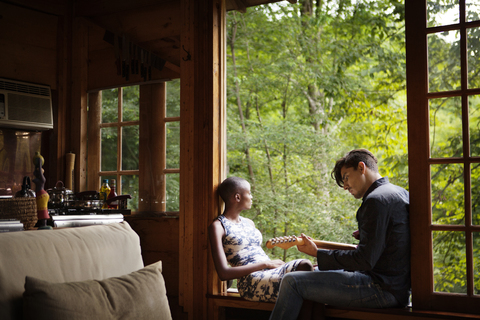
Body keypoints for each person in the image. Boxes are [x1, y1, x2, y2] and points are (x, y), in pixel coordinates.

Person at [269, 149, 410, 319]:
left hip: (381, 289)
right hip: (397, 287)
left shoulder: (376, 200)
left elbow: (364, 260)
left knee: (291, 282)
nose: (345, 186)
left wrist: (317, 253)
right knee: (315, 272)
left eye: (346, 177)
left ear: (361, 167)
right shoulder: (399, 192)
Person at [209, 176, 313, 302]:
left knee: (311, 269)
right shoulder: (218, 226)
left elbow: (258, 255)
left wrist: (276, 265)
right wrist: (266, 264)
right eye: (249, 193)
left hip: (269, 272)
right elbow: (223, 273)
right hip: (250, 282)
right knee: (306, 271)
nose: (251, 197)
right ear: (237, 197)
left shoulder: (249, 223)